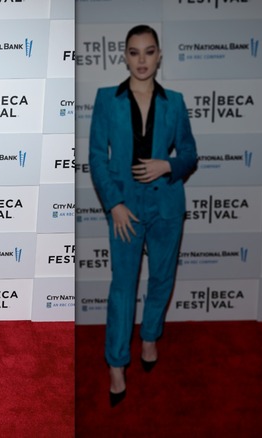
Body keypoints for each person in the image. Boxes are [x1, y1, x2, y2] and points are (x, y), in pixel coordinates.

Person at [88, 24, 198, 407]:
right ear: (124, 55)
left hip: (167, 204)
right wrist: (114, 204)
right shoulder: (107, 99)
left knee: (163, 277)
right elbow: (97, 158)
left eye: (149, 52)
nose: (142, 60)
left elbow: (188, 154)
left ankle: (150, 335)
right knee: (123, 285)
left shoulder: (175, 102)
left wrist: (166, 166)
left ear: (159, 56)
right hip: (125, 208)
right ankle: (116, 361)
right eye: (134, 52)